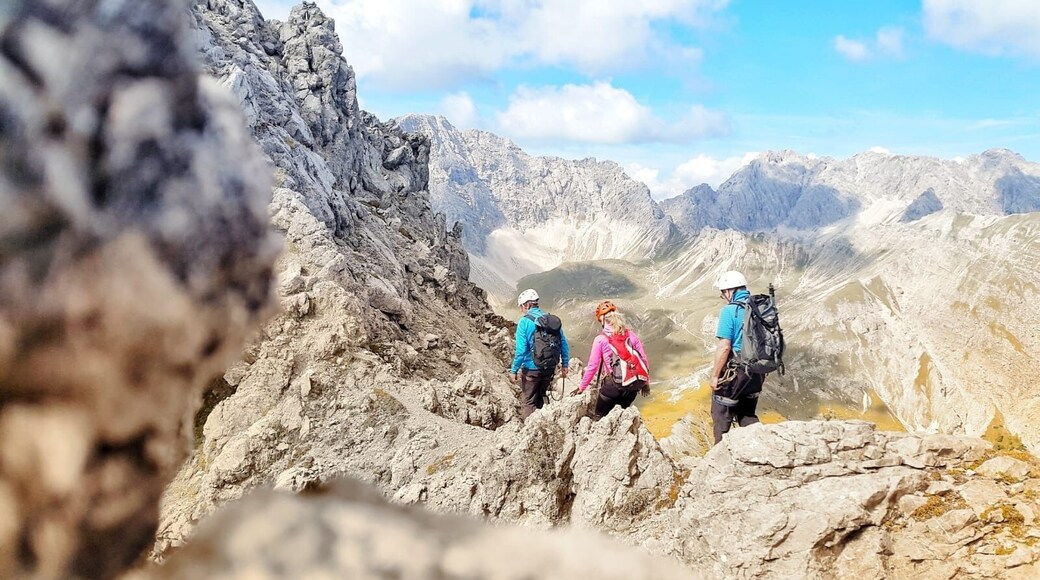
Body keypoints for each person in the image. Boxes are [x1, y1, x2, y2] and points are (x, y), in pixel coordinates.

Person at [710, 270, 764, 444]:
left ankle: (719, 459)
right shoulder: (760, 308)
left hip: (736, 371)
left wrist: (715, 376)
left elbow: (725, 347)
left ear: (729, 291)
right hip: (757, 372)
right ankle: (760, 450)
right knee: (747, 414)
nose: (724, 297)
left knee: (721, 413)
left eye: (723, 293)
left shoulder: (730, 310)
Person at [577, 300, 651, 419]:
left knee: (599, 418)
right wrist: (646, 383)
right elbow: (643, 360)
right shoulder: (631, 335)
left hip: (613, 387)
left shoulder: (601, 340)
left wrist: (582, 388)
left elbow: (592, 366)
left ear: (602, 321)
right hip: (633, 386)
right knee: (619, 419)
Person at [510, 289, 570, 419]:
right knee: (541, 397)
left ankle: (528, 431)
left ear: (526, 305)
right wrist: (565, 364)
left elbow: (521, 350)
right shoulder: (551, 320)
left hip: (531, 369)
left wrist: (514, 370)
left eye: (521, 307)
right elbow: (563, 343)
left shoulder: (524, 322)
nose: (522, 310)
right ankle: (542, 425)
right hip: (549, 368)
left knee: (528, 402)